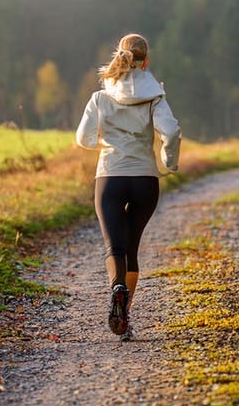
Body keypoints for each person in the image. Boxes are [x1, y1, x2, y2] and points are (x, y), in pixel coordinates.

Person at [75, 33, 181, 341]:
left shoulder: (100, 97)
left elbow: (82, 138)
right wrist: (168, 161)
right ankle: (124, 314)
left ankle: (116, 289)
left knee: (114, 246)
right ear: (147, 61)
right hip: (145, 180)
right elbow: (171, 131)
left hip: (110, 178)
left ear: (119, 56)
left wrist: (107, 144)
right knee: (131, 247)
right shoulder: (155, 97)